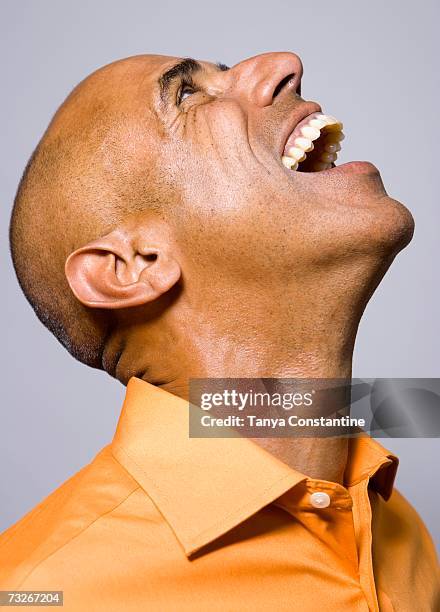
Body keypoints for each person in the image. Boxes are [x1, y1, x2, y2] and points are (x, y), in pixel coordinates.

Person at [1, 52, 438, 611]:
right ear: (134, 264)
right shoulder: (44, 590)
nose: (286, 64)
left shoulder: (395, 528)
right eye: (187, 95)